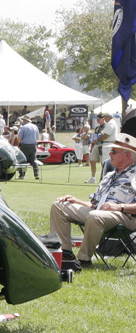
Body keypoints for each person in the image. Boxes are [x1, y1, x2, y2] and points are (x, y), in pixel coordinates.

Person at [50, 132, 136, 268]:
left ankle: (83, 260)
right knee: (59, 205)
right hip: (99, 213)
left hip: (126, 216)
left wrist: (120, 207)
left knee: (95, 216)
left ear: (127, 155)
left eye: (113, 151)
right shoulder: (109, 175)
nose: (110, 154)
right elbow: (95, 204)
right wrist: (76, 201)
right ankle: (66, 254)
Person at [17, 115, 41, 179]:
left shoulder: (24, 127)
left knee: (23, 160)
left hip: (25, 145)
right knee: (34, 160)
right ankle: (36, 174)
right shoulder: (35, 127)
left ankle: (22, 175)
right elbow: (38, 137)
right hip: (33, 145)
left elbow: (19, 138)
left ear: (25, 120)